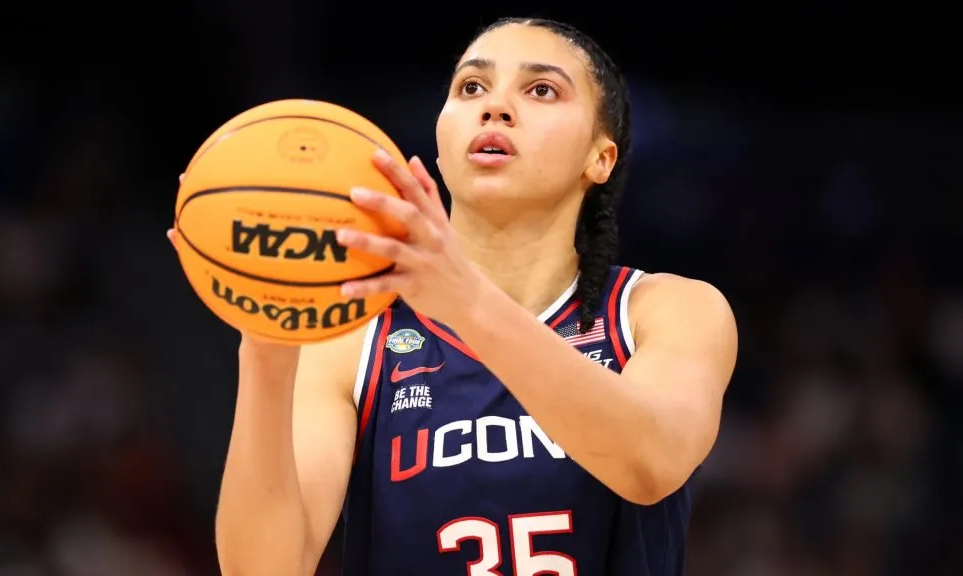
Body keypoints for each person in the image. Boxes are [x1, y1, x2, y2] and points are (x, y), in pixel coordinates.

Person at [168, 16, 737, 576]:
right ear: (441, 147)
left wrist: (465, 299)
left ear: (601, 158)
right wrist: (267, 350)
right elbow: (263, 570)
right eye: (471, 87)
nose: (495, 107)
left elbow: (652, 462)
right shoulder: (356, 340)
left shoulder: (664, 310)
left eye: (542, 90)